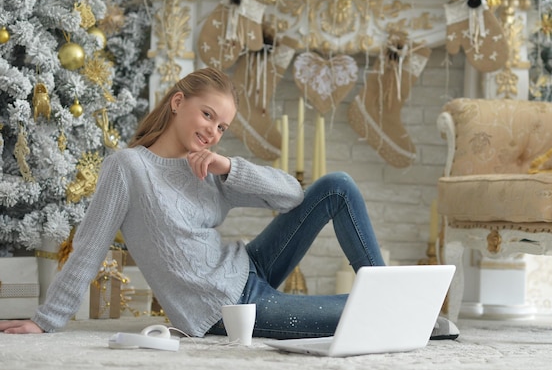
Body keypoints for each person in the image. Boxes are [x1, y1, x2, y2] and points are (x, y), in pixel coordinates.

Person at [0, 67, 459, 340]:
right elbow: (90, 245)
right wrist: (46, 321)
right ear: (178, 102)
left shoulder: (209, 166)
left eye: (222, 126)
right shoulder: (128, 168)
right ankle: (402, 310)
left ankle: (390, 296)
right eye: (207, 114)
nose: (212, 131)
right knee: (355, 314)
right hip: (224, 309)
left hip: (250, 267)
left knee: (337, 185)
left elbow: (293, 195)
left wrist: (227, 166)